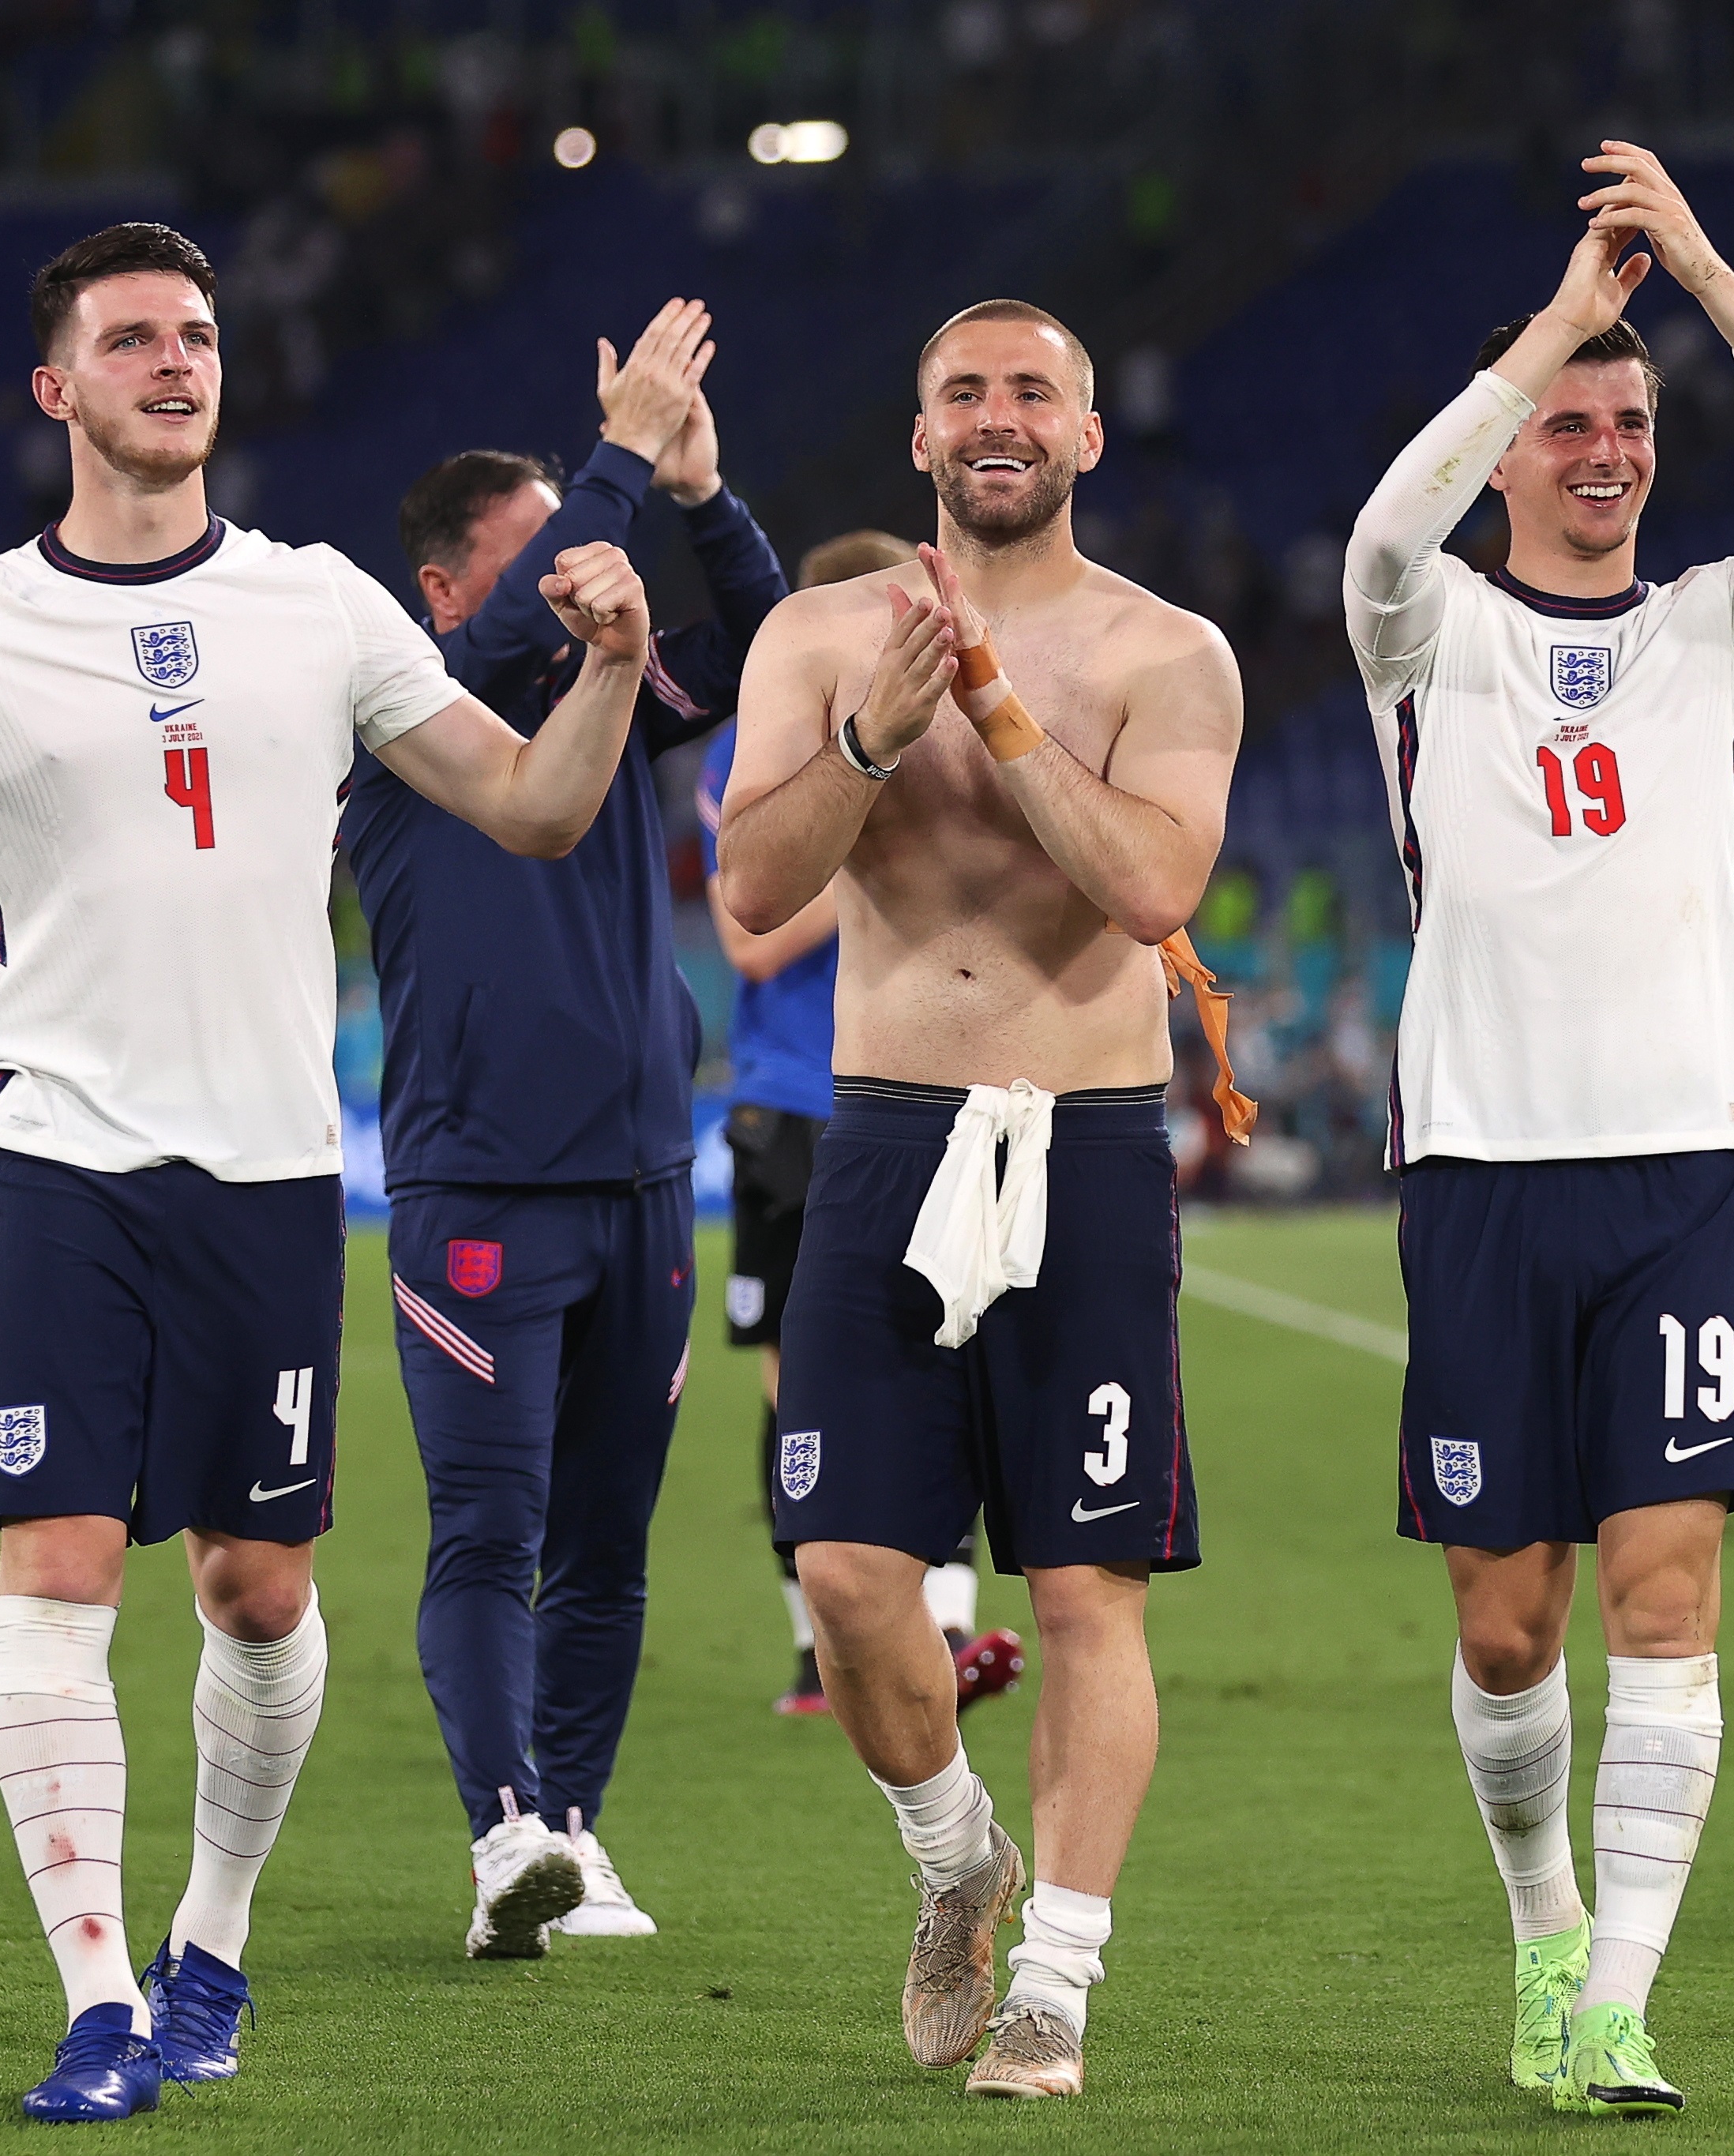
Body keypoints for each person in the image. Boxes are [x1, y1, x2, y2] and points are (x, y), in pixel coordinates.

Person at [0, 223, 647, 2120]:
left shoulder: (323, 608)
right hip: (59, 1155)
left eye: (197, 336)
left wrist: (618, 664)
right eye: (129, 338)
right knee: (55, 1575)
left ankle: (210, 1947)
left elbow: (538, 807)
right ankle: (98, 2001)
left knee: (254, 1592)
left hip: (268, 1170)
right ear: (56, 389)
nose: (173, 360)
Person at [1347, 144, 1734, 2117]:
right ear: (1510, 448)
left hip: (1677, 1164)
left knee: (1667, 1592)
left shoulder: (1723, 636)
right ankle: (1542, 1941)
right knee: (1509, 1628)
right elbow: (1373, 542)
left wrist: (1707, 285)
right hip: (1484, 1171)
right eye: (1570, 421)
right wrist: (1550, 334)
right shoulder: (1428, 639)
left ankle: (1620, 2005)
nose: (1599, 447)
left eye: (1626, 420)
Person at [714, 298, 1242, 2101]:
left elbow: (1151, 890)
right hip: (879, 1133)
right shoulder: (811, 636)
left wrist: (1001, 718)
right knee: (852, 1572)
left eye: (1031, 391)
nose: (996, 416)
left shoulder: (1166, 655)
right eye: (963, 391)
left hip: (1077, 1140)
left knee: (1087, 1592)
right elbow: (752, 889)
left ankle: (1058, 1992)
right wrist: (867, 737)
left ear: (1088, 434)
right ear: (919, 435)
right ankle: (957, 1864)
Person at [341, 300, 784, 1955]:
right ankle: (497, 1829)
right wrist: (607, 467)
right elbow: (544, 613)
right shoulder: (403, 715)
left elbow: (764, 649)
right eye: (539, 559)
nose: (587, 582)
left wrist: (698, 487)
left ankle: (573, 1841)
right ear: (448, 593)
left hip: (647, 1182)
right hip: (477, 1191)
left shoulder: (608, 694)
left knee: (606, 1546)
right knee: (490, 1531)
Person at [695, 526, 1024, 1720]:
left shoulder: (984, 713)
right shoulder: (760, 739)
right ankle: (813, 1649)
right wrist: (880, 834)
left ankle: (943, 1628)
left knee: (957, 1355)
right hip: (795, 1102)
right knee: (802, 1387)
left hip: (931, 1090)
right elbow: (750, 929)